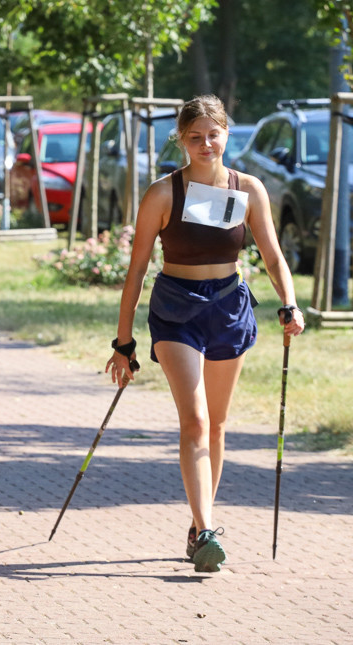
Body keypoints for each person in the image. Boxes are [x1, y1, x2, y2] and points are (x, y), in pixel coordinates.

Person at [106, 94, 305, 573]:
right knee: (194, 421)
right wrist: (123, 340)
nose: (205, 144)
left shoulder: (249, 189)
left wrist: (290, 302)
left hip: (229, 307)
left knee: (216, 424)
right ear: (181, 139)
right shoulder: (163, 193)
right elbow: (135, 272)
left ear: (226, 134)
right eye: (194, 136)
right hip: (176, 310)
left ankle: (200, 526)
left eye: (213, 134)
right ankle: (208, 528)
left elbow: (273, 255)